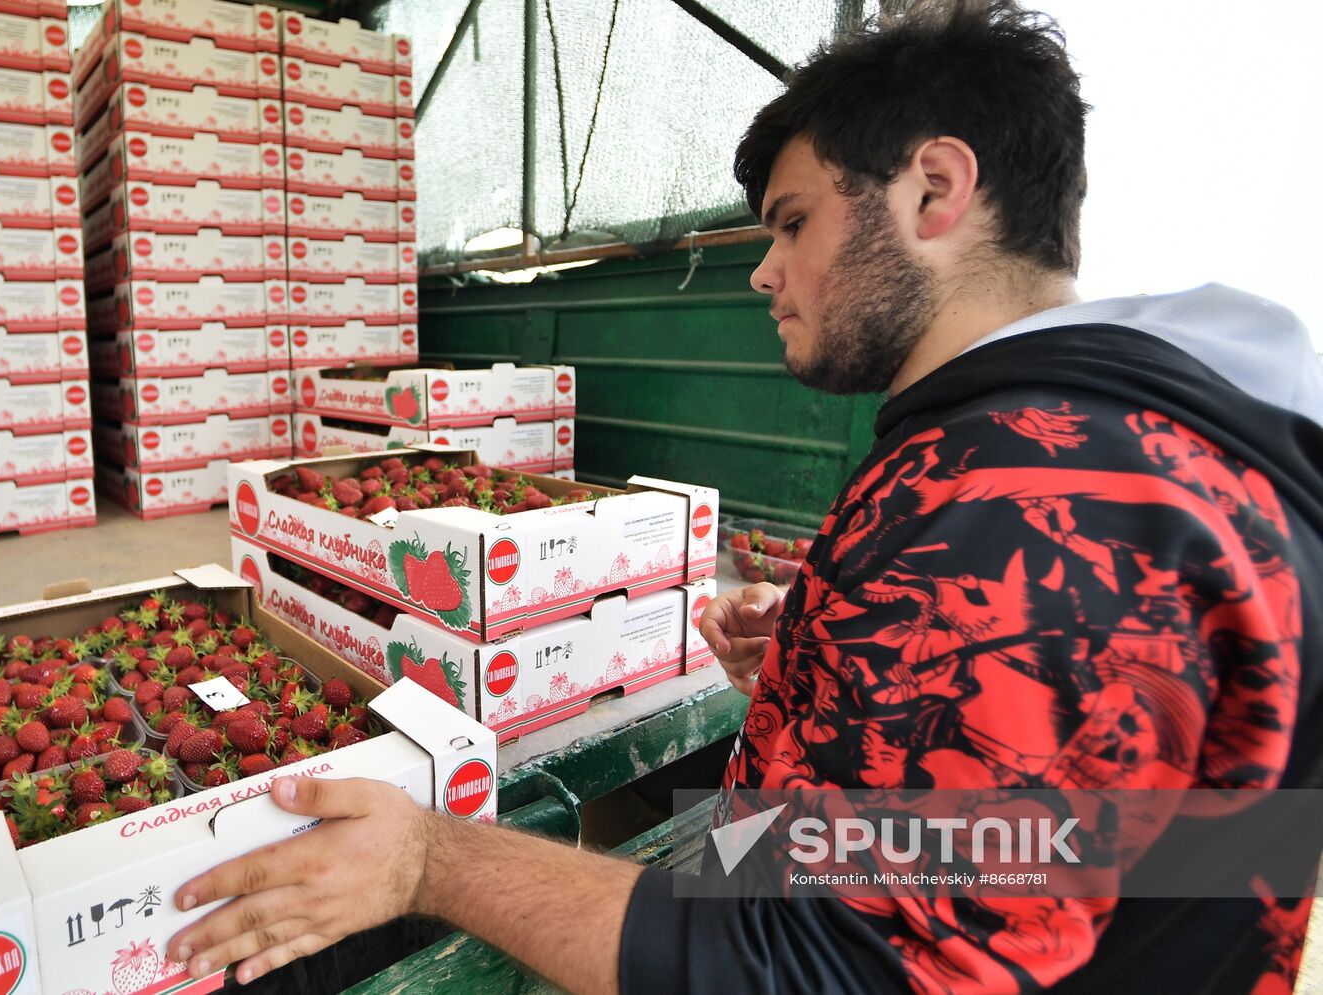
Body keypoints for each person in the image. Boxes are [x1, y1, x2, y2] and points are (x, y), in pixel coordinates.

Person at [169, 1, 1323, 991]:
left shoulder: (1017, 514)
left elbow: (826, 971)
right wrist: (823, 670)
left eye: (790, 220)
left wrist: (430, 858)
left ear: (933, 188)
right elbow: (1112, 825)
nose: (764, 269)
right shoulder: (1178, 449)